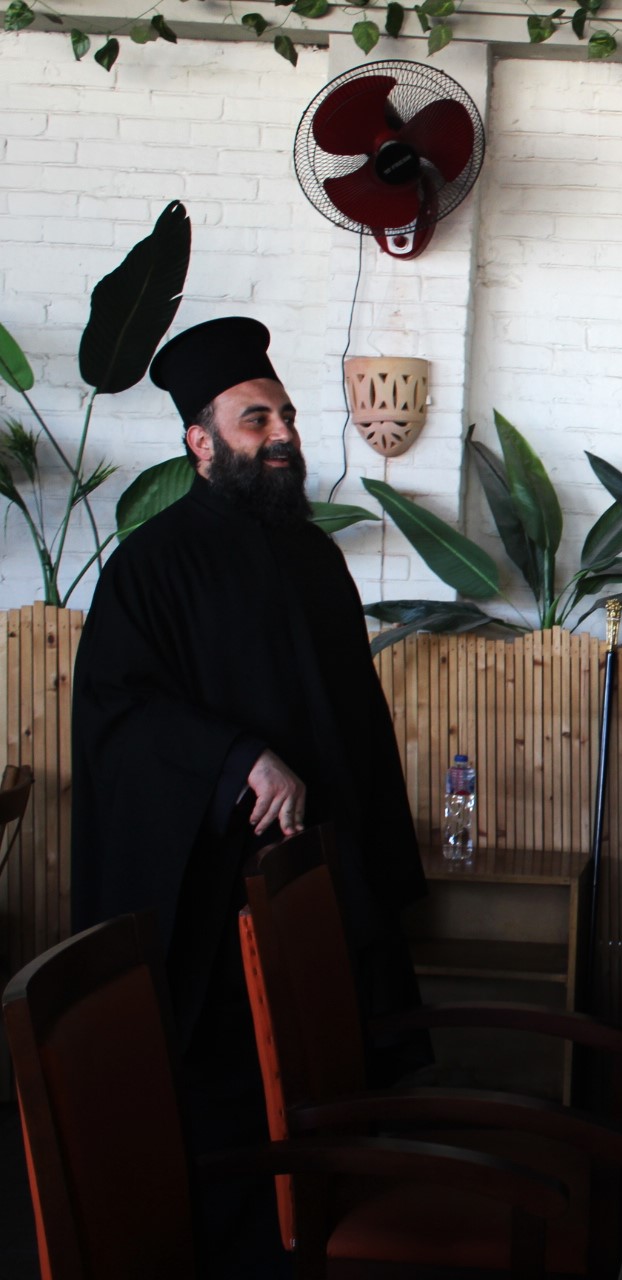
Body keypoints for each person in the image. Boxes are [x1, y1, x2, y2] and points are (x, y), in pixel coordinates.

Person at [71, 316, 428, 1273]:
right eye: (255, 420)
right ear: (201, 442)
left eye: (287, 417)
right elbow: (118, 711)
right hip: (210, 894)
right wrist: (237, 760)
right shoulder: (151, 565)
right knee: (230, 1133)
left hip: (322, 877)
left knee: (332, 1111)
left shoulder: (313, 556)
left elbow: (354, 725)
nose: (282, 436)